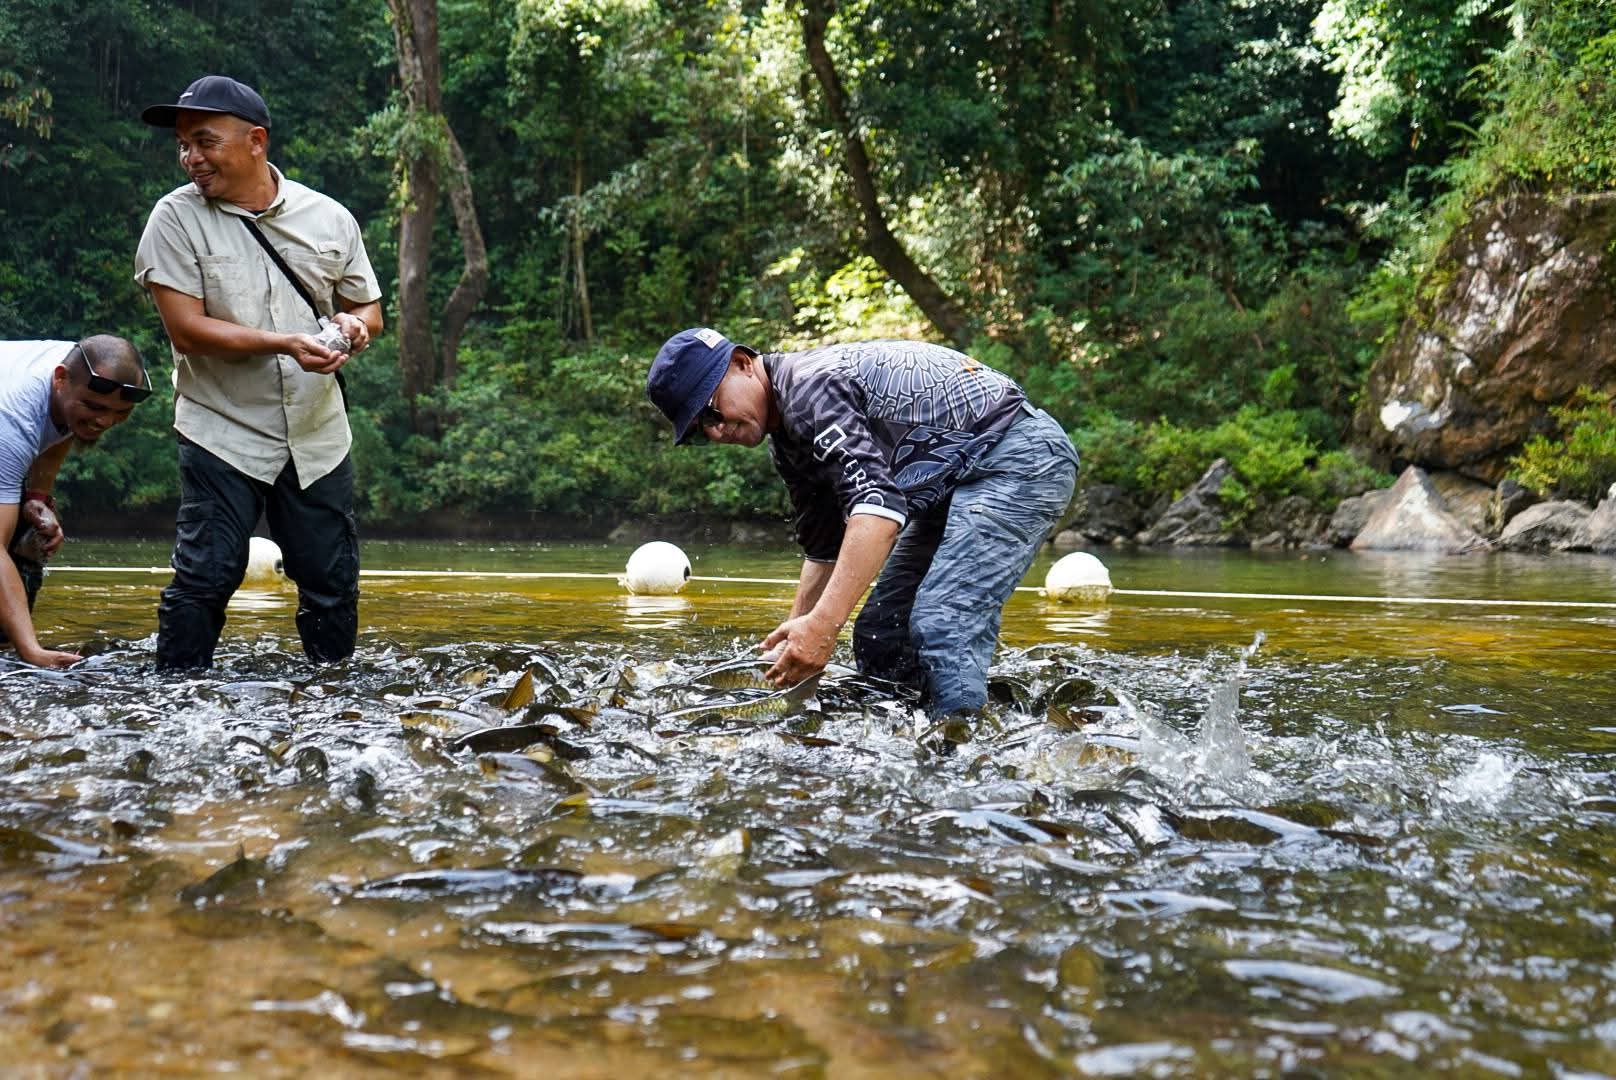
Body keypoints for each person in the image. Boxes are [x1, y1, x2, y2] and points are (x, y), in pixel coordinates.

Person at [647, 329, 1079, 719]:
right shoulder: (788, 442)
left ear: (743, 364)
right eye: (701, 430)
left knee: (943, 621)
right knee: (881, 633)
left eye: (712, 411)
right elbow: (825, 552)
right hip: (951, 485)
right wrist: (792, 651)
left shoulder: (811, 388)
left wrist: (822, 629)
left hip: (1018, 457)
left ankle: (964, 752)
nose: (717, 431)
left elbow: (878, 513)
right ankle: (916, 730)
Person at [133, 75, 384, 671]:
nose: (191, 158)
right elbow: (186, 330)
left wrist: (353, 329)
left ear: (256, 141)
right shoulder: (175, 219)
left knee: (331, 583)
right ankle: (174, 699)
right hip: (222, 430)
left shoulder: (329, 218)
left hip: (317, 435)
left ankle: (333, 698)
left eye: (205, 141)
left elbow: (368, 308)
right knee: (204, 577)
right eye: (183, 146)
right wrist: (287, 344)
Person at [0, 336, 150, 668]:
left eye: (121, 412)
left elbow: (60, 428)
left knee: (28, 537)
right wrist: (32, 650)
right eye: (95, 407)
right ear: (60, 379)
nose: (105, 421)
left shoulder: (80, 370)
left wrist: (37, 497)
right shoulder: (12, 420)